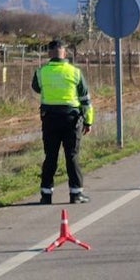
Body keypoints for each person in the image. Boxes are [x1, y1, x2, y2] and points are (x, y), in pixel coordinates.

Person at [32, 39, 93, 204]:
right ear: (65, 53)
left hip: (50, 119)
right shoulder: (75, 72)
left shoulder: (41, 72)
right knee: (72, 156)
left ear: (49, 53)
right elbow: (85, 99)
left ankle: (46, 195)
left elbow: (36, 88)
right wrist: (88, 121)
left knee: (50, 156)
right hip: (71, 119)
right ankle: (76, 194)